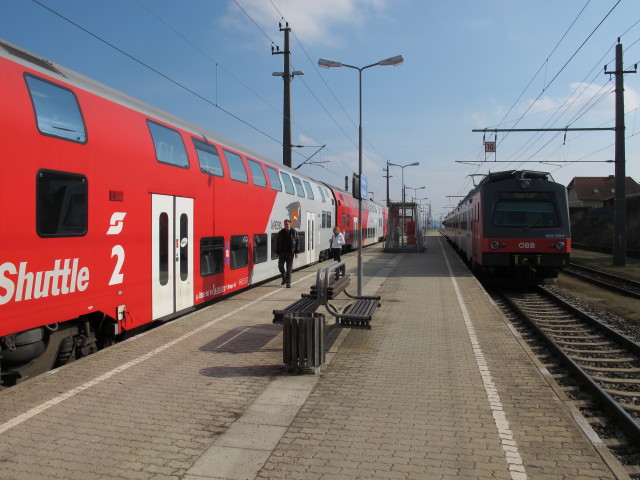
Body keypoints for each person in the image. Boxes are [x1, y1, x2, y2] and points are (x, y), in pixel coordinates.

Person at [275, 219, 299, 288]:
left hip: (290, 253)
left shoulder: (294, 232)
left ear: (290, 224)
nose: (285, 225)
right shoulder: (280, 232)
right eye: (285, 224)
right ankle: (284, 277)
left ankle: (288, 283)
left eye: (287, 224)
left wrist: (296, 252)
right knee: (280, 266)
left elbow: (297, 242)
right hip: (282, 253)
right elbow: (277, 242)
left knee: (289, 269)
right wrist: (277, 252)